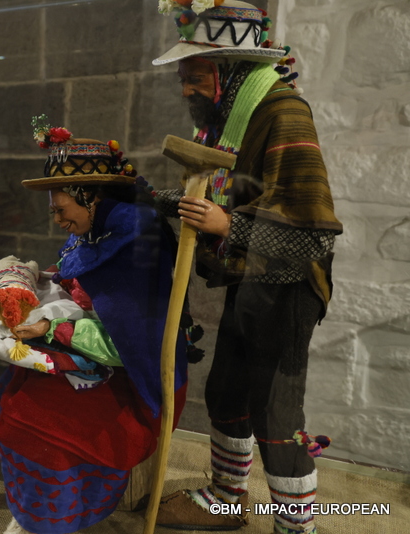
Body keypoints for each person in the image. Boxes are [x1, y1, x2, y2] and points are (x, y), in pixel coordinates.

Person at [150, 2, 343, 533]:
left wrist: (226, 226)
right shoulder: (233, 120)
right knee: (227, 393)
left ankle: (295, 526)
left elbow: (312, 231)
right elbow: (217, 193)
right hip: (250, 279)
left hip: (289, 286)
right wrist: (152, 197)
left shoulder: (283, 113)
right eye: (184, 78)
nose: (185, 90)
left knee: (277, 420)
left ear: (231, 71)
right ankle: (227, 499)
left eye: (195, 77)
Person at [0, 124, 189, 534]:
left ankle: (54, 519)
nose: (56, 220)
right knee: (16, 394)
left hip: (131, 372)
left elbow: (129, 340)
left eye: (60, 210)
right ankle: (38, 515)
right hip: (86, 350)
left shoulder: (134, 243)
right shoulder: (93, 233)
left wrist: (52, 329)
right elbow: (81, 285)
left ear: (90, 197)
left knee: (42, 425)